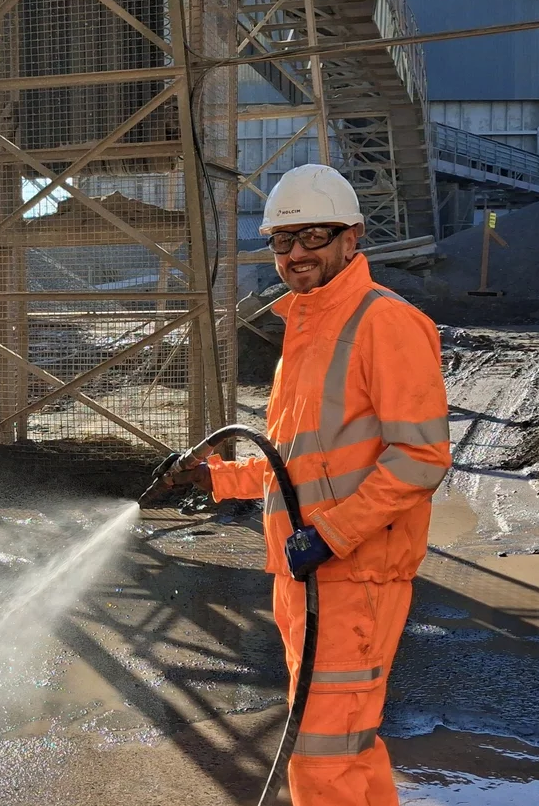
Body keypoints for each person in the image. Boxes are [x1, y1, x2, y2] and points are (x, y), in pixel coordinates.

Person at [162, 164, 452, 804]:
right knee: (348, 746)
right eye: (282, 242)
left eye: (312, 237)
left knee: (320, 762)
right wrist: (218, 478)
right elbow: (298, 463)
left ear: (351, 238)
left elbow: (422, 455)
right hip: (308, 575)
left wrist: (331, 534)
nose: (296, 254)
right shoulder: (305, 328)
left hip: (355, 578)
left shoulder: (386, 323)